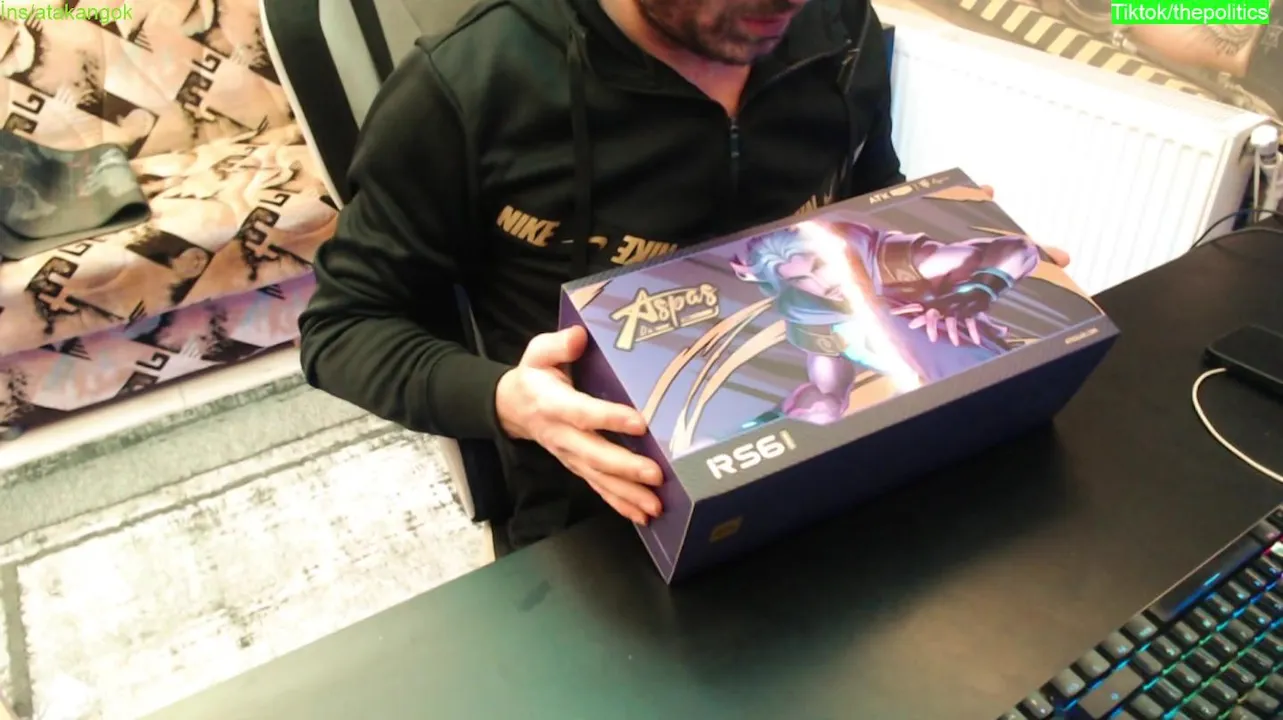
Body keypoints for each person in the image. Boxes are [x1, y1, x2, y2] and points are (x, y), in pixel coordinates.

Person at [297, 0, 1069, 556]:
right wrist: (507, 401)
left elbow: (865, 194)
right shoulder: (468, 87)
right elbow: (342, 326)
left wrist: (959, 242)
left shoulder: (840, 27)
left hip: (842, 467)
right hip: (606, 514)